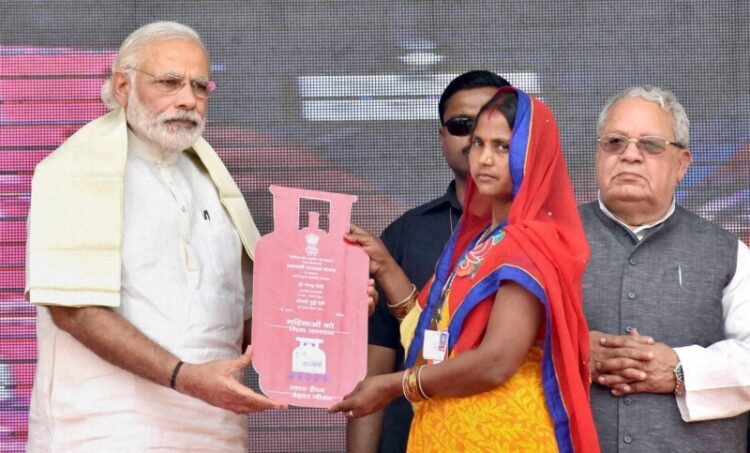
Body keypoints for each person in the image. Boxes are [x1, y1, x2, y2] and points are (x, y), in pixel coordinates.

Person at [24, 21, 285, 451]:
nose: (188, 99)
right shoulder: (74, 169)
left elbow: (240, 319)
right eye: (170, 82)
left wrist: (330, 309)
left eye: (200, 86)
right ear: (123, 86)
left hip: (216, 429)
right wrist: (183, 377)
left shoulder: (212, 182)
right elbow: (74, 310)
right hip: (105, 430)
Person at [332, 87, 600, 452]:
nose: (485, 159)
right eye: (478, 144)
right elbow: (438, 343)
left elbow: (495, 362)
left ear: (534, 155)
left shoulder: (528, 243)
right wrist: (385, 267)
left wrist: (395, 385)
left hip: (505, 437)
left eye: (502, 147)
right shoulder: (483, 240)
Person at [347, 70, 509, 453]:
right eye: (462, 125)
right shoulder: (405, 234)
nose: (476, 139)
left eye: (492, 126)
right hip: (413, 438)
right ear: (442, 138)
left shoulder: (545, 231)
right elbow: (376, 368)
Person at [582, 85, 750, 452]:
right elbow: (488, 348)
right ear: (598, 154)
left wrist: (679, 369)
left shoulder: (729, 252)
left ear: (682, 164)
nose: (630, 156)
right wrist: (570, 351)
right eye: (614, 142)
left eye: (651, 145)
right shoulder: (546, 242)